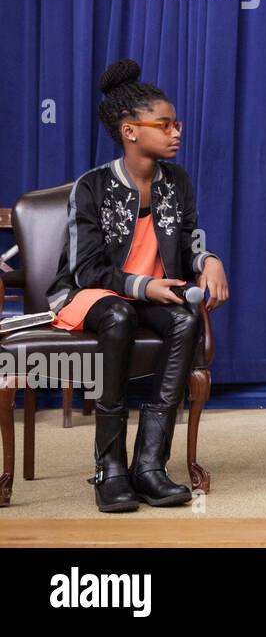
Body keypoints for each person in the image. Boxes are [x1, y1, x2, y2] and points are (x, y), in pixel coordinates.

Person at [47, 59, 229, 513]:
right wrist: (143, 286)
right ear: (130, 131)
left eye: (176, 123)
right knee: (118, 312)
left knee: (186, 318)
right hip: (91, 295)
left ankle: (150, 465)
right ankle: (109, 469)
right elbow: (87, 270)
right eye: (164, 124)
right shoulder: (91, 188)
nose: (175, 132)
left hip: (147, 293)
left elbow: (188, 243)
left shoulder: (178, 182)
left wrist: (210, 260)